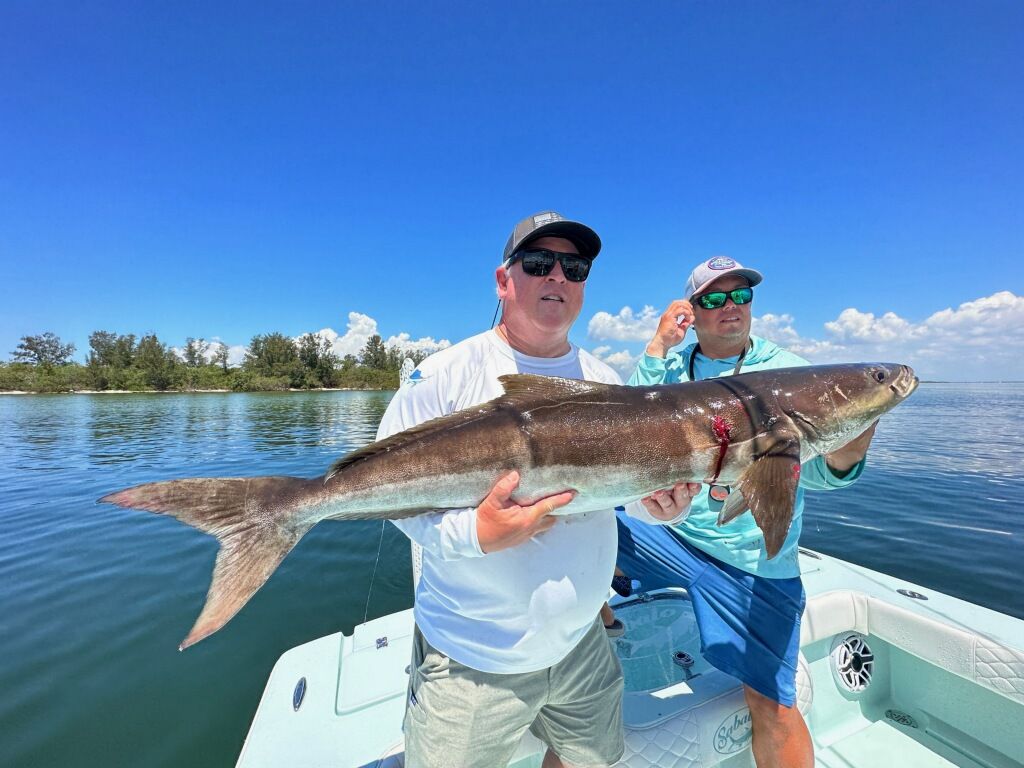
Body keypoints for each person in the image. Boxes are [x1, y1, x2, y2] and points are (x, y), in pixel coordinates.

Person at [376, 211, 699, 768]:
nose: (558, 276)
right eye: (538, 262)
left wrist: (661, 507)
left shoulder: (607, 380)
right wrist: (474, 533)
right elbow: (388, 494)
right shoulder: (442, 376)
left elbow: (621, 497)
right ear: (504, 281)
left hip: (581, 644)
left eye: (574, 267)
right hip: (472, 658)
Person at [613, 256, 878, 768]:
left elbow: (820, 474)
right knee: (584, 518)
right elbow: (623, 430)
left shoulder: (790, 370)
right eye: (713, 298)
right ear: (693, 310)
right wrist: (656, 345)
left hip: (751, 561)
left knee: (771, 704)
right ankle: (603, 613)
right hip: (671, 535)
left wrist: (849, 450)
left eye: (740, 295)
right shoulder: (671, 365)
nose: (729, 306)